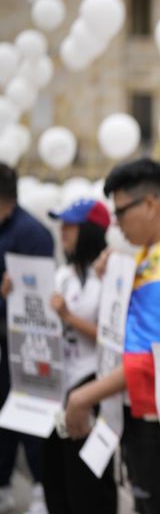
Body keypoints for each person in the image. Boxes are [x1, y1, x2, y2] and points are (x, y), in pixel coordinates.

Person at [63, 158, 160, 514]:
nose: (116, 223)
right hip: (148, 414)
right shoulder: (157, 253)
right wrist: (114, 277)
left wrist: (83, 397)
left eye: (121, 212)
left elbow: (150, 358)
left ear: (150, 204)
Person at [42, 199, 117, 513]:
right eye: (62, 225)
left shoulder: (111, 275)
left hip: (93, 385)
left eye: (71, 226)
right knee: (55, 474)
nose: (63, 233)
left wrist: (69, 317)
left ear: (90, 230)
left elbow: (113, 339)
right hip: (56, 386)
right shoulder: (62, 274)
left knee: (85, 479)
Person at [0, 164, 52, 514]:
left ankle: (40, 486)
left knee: (30, 410)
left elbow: (38, 294)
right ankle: (3, 481)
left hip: (27, 340)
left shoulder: (32, 233)